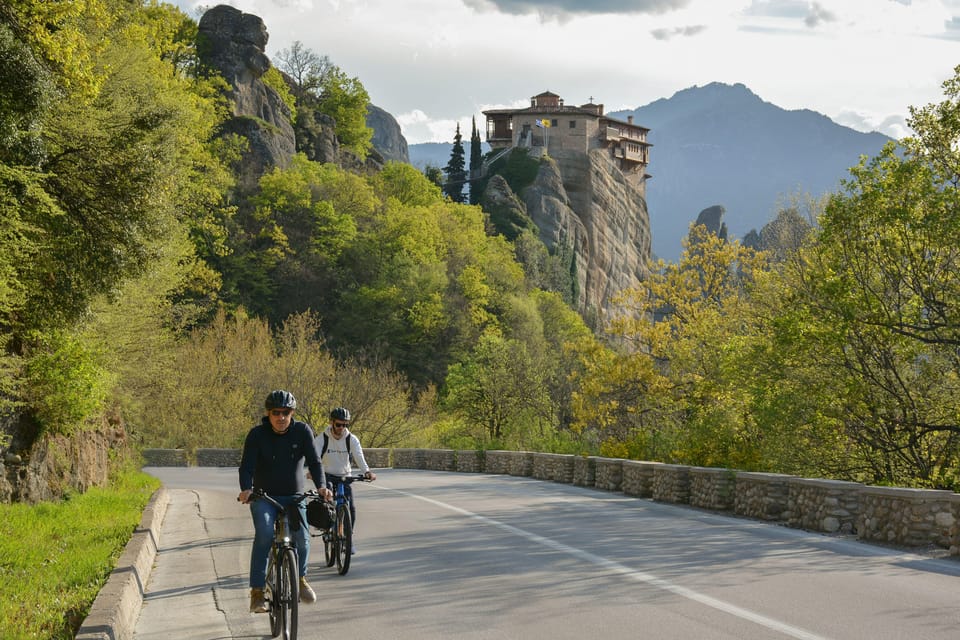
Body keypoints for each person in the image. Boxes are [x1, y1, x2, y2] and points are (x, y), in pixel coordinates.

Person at [237, 390, 332, 614]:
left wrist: (321, 485)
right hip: (264, 497)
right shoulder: (257, 435)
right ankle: (258, 592)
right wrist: (246, 490)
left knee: (302, 537)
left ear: (292, 413)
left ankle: (300, 579)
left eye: (286, 412)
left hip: (295, 496)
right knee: (265, 534)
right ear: (268, 414)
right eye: (276, 412)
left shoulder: (302, 431)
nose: (281, 417)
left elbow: (315, 462)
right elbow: (247, 467)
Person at [318, 407, 376, 552]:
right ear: (331, 422)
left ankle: (347, 538)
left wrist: (367, 471)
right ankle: (327, 530)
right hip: (327, 475)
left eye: (345, 425)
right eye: (339, 424)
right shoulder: (322, 438)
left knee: (351, 508)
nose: (342, 428)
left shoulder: (351, 439)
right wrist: (314, 472)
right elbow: (314, 458)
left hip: (345, 476)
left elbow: (359, 456)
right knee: (327, 505)